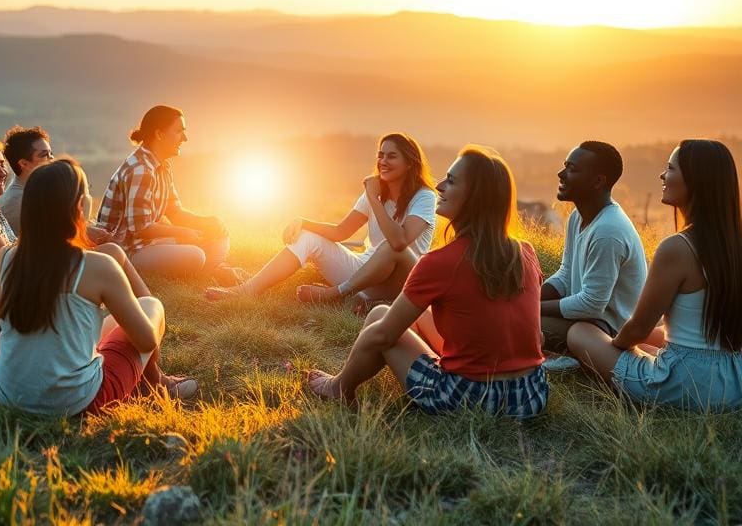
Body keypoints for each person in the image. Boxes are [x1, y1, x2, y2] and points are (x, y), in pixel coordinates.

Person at [306, 145, 548, 418]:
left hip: (469, 400)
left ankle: (338, 388)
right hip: (530, 395)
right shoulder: (525, 252)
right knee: (409, 317)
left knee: (379, 317)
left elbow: (384, 334)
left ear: (474, 197)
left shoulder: (439, 262)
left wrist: (341, 373)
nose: (439, 186)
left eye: (452, 181)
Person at [0, 157, 197, 415]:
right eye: (86, 193)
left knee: (0, 345)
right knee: (150, 306)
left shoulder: (6, 256)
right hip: (76, 402)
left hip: (7, 392)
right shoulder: (98, 266)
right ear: (77, 206)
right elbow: (145, 341)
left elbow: (8, 318)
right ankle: (156, 383)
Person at [567, 140, 742, 410]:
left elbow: (637, 328)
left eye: (670, 168)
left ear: (696, 181)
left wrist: (615, 348)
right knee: (652, 338)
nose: (662, 175)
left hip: (688, 384)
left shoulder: (678, 247)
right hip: (732, 378)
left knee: (581, 332)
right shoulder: (733, 245)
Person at [205, 133, 437, 308]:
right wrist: (304, 222)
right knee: (308, 238)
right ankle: (247, 289)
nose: (383, 161)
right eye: (380, 155)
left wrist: (374, 200)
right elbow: (340, 232)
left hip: (401, 281)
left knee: (388, 247)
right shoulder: (376, 192)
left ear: (409, 163)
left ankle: (336, 294)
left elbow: (399, 242)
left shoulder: (424, 197)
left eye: (391, 156)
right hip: (363, 274)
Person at [96, 105, 240, 285]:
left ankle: (213, 268)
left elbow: (174, 211)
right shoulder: (141, 170)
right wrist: (184, 233)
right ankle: (213, 269)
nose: (185, 138)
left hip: (148, 244)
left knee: (219, 232)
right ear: (159, 134)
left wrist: (205, 222)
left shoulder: (161, 166)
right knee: (196, 256)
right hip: (127, 251)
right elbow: (139, 228)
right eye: (179, 131)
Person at [541, 141, 647, 363]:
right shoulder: (577, 217)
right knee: (514, 315)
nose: (561, 174)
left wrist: (532, 308)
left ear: (598, 181)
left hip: (604, 331)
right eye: (565, 166)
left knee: (515, 323)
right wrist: (529, 297)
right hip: (585, 321)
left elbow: (591, 303)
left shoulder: (608, 231)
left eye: (572, 169)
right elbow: (566, 273)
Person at [0, 126, 55, 236]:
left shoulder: (34, 194)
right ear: (24, 164)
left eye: (50, 153)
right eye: (44, 155)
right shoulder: (18, 202)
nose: (52, 158)